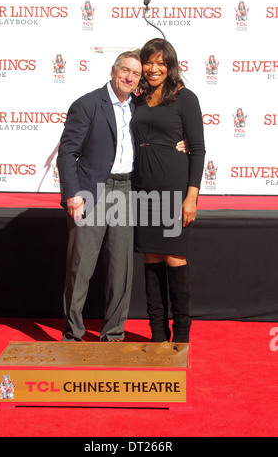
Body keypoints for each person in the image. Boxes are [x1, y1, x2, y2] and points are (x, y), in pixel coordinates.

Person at [57, 49, 187, 343]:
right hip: (93, 192)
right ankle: (73, 334)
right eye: (125, 70)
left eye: (136, 73)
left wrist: (182, 143)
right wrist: (73, 194)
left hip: (128, 191)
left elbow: (161, 130)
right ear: (113, 71)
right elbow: (67, 152)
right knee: (81, 267)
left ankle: (113, 335)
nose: (130, 77)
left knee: (121, 269)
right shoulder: (88, 104)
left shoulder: (140, 105)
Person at [131, 38, 205, 343]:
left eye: (161, 62)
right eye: (148, 62)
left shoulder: (185, 98)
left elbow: (198, 149)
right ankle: (158, 334)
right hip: (142, 187)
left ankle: (182, 335)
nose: (153, 68)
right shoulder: (136, 100)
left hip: (174, 187)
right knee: (151, 259)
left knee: (175, 258)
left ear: (170, 66)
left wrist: (191, 196)